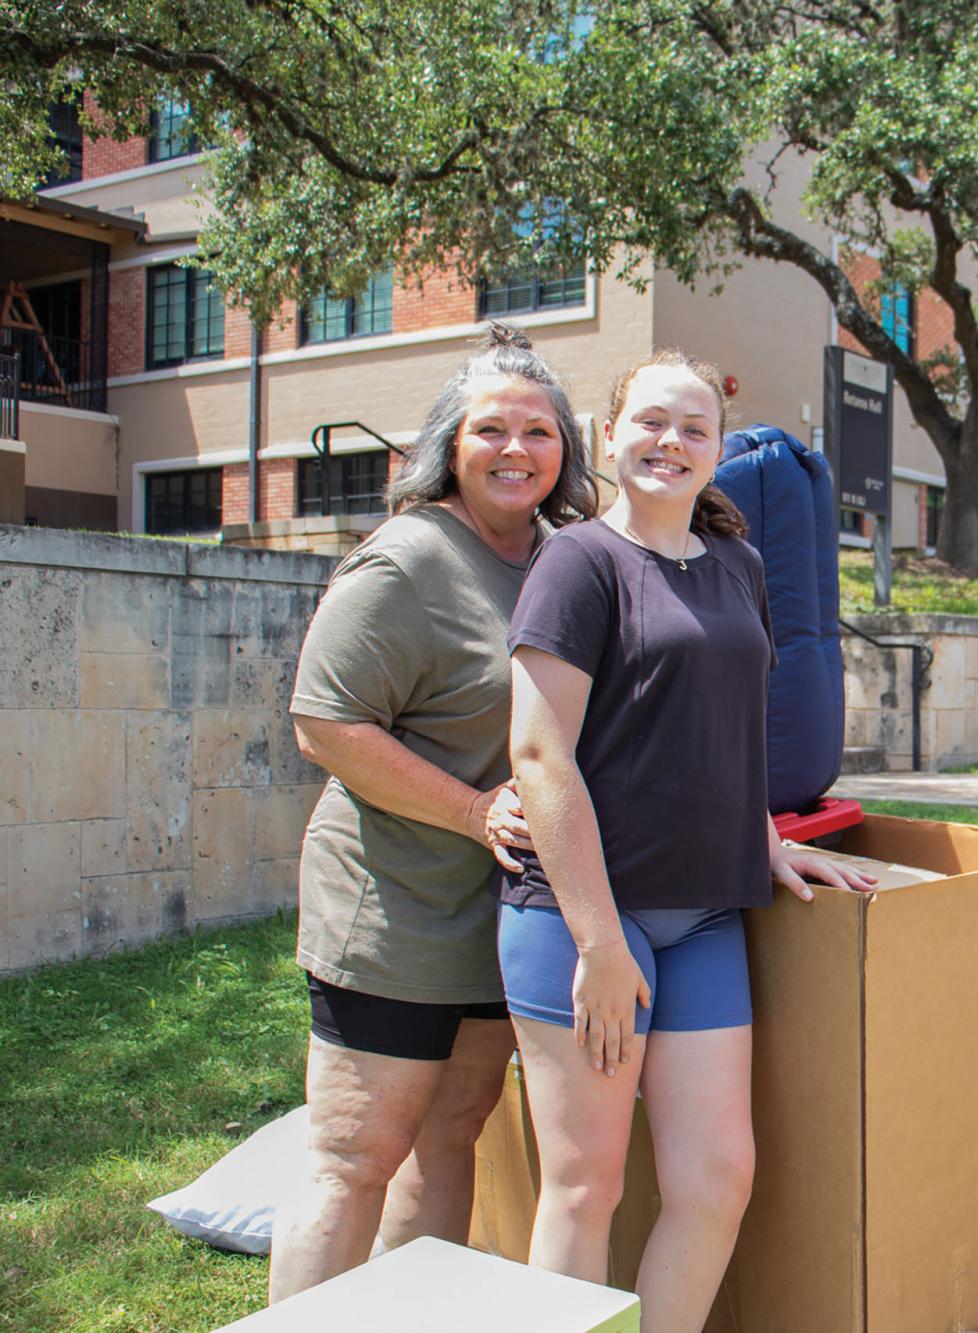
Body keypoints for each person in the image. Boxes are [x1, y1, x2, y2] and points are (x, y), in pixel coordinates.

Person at [499, 348, 873, 1333]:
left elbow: (730, 723)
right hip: (585, 920)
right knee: (586, 1187)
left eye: (693, 428)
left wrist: (764, 837)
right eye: (651, 422)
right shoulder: (577, 562)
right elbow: (540, 757)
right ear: (609, 432)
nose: (670, 441)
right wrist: (600, 942)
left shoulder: (741, 565)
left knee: (717, 1180)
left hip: (706, 914)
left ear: (717, 450)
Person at [273, 325, 599, 1300]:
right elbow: (321, 720)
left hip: (504, 915)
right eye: (491, 429)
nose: (515, 450)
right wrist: (469, 811)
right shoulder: (408, 560)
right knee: (354, 1158)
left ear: (565, 453)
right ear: (450, 444)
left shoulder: (563, 559)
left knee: (451, 1137)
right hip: (395, 905)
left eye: (539, 432)